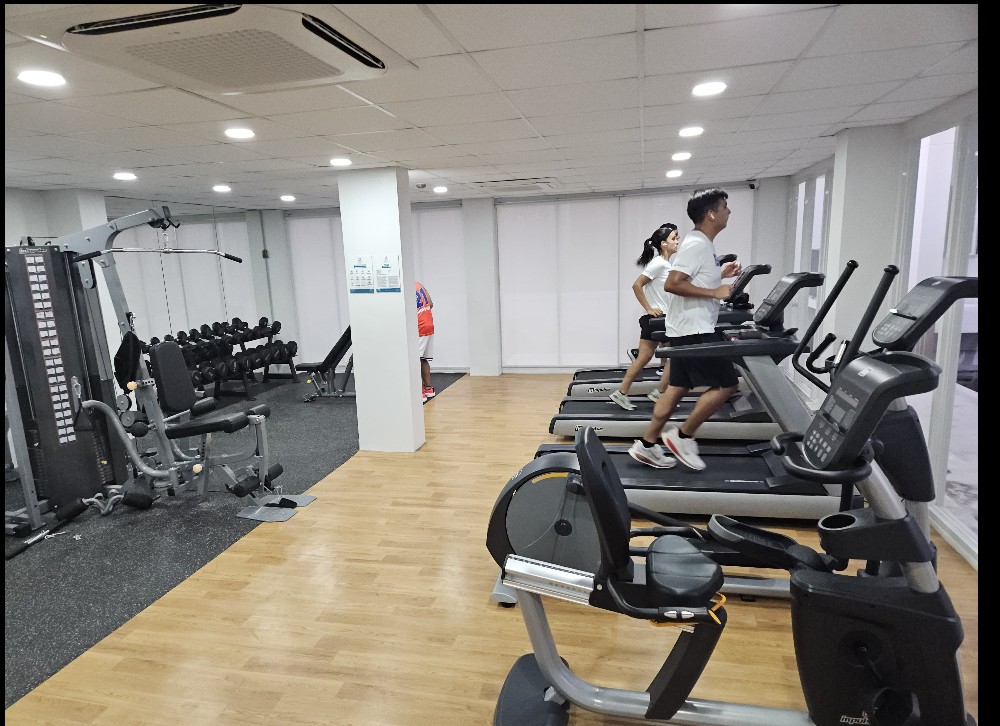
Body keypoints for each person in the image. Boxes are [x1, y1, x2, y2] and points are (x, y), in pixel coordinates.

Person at [627, 188, 743, 470]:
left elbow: (692, 278)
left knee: (676, 388)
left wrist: (720, 274)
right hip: (694, 329)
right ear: (711, 214)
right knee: (728, 384)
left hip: (684, 328)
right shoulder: (697, 244)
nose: (729, 211)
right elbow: (673, 283)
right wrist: (715, 292)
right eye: (724, 207)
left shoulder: (701, 245)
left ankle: (647, 445)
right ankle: (683, 436)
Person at [609, 223, 681, 411]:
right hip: (658, 319)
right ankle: (660, 393)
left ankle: (621, 393)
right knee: (677, 355)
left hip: (658, 320)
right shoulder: (660, 263)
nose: (677, 241)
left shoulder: (665, 264)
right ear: (663, 244)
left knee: (644, 358)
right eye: (674, 238)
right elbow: (637, 285)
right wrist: (648, 308)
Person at [415, 280, 436, 402]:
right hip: (428, 324)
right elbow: (431, 304)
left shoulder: (407, 288)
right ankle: (428, 389)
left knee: (414, 359)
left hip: (419, 326)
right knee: (422, 358)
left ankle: (419, 392)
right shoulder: (419, 285)